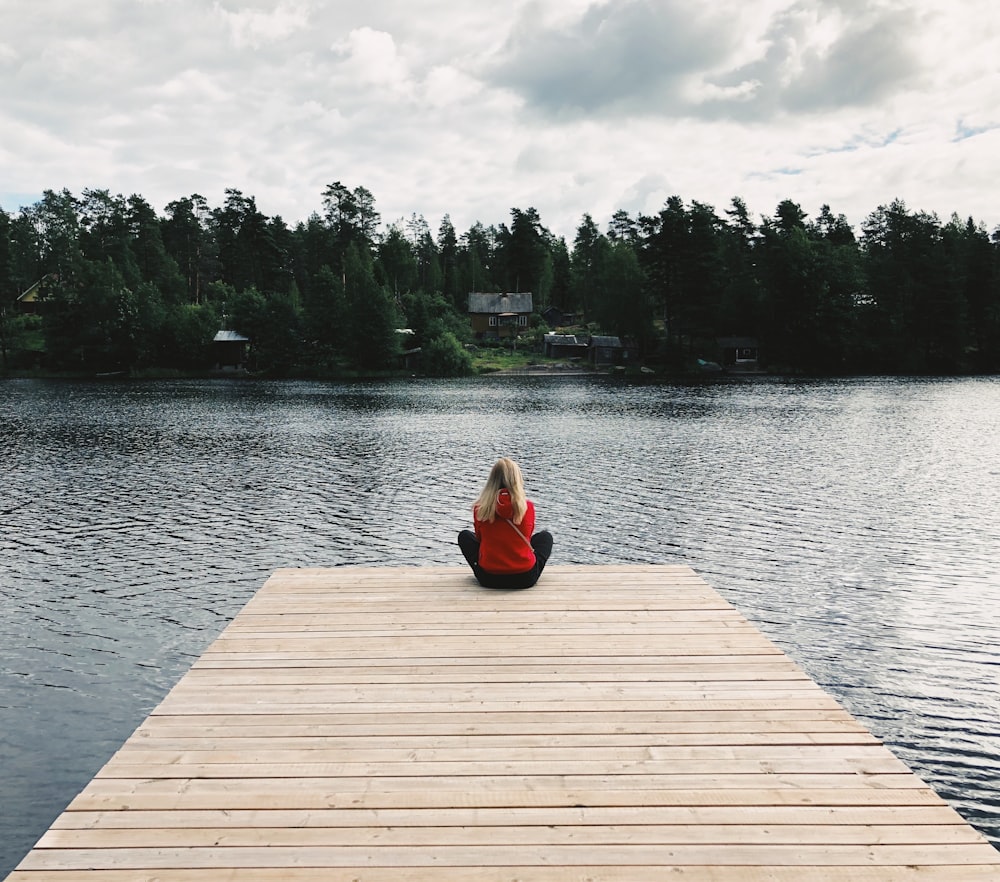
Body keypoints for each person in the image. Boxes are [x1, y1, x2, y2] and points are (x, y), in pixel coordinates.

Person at [458, 457, 553, 589]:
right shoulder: (527, 507)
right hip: (525, 577)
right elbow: (527, 538)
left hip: (489, 578)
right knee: (545, 537)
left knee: (465, 536)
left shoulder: (480, 508)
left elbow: (480, 540)